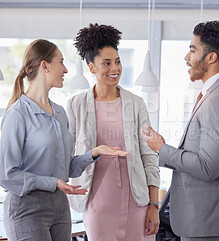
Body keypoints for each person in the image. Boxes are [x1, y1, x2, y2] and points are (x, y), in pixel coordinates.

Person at [0, 39, 128, 241]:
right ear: (45, 66)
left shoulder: (59, 113)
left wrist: (93, 153)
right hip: (26, 208)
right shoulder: (17, 113)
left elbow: (65, 168)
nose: (66, 69)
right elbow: (6, 175)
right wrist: (52, 183)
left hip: (60, 207)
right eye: (61, 62)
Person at [141, 20, 219, 241]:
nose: (186, 57)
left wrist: (162, 149)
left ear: (211, 57)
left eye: (192, 50)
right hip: (206, 219)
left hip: (209, 220)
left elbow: (208, 166)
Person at [67, 23, 160, 241]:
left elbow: (149, 156)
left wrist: (154, 205)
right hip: (98, 203)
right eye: (106, 63)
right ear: (91, 68)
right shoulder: (76, 105)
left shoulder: (136, 104)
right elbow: (67, 158)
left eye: (117, 61)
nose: (115, 69)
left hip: (137, 203)